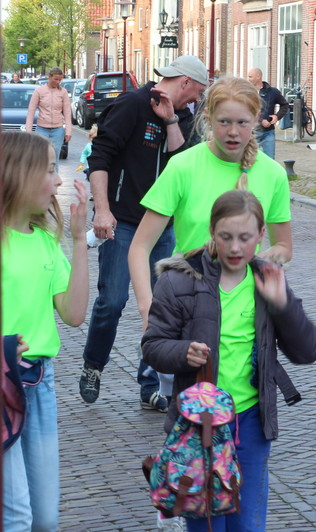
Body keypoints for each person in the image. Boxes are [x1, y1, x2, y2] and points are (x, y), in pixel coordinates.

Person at [142, 189, 316, 532]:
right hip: (199, 424)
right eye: (226, 237)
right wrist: (183, 352)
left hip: (251, 422)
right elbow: (152, 346)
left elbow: (308, 351)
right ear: (212, 231)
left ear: (261, 234)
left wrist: (282, 305)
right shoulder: (180, 280)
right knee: (206, 523)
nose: (236, 248)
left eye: (245, 238)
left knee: (247, 524)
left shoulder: (267, 279)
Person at [78, 55, 208, 412]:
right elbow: (99, 158)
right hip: (122, 220)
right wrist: (102, 209)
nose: (196, 100)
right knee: (113, 300)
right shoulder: (131, 105)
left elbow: (183, 165)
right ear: (184, 82)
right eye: (196, 92)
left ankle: (150, 384)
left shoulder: (183, 117)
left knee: (162, 308)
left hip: (162, 225)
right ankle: (93, 365)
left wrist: (170, 121)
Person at [129, 75, 292, 330]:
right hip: (185, 309)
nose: (233, 132)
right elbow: (139, 247)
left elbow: (284, 246)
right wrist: (147, 308)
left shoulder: (273, 175)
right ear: (208, 118)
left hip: (246, 318)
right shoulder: (183, 167)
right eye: (224, 122)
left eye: (242, 122)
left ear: (256, 118)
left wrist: (254, 261)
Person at [2, 131, 89, 531]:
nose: (58, 181)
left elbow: (74, 313)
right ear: (19, 173)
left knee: (45, 518)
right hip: (3, 383)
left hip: (41, 382)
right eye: (51, 170)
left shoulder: (44, 243)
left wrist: (78, 241)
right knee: (16, 515)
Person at [25, 67, 71, 171]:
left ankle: (54, 180)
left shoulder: (63, 92)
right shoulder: (39, 91)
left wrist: (68, 131)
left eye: (60, 80)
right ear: (49, 77)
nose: (58, 82)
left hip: (58, 129)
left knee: (55, 158)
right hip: (42, 129)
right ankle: (42, 179)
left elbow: (67, 112)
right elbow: (31, 111)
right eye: (56, 79)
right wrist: (29, 131)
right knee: (42, 157)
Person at [247, 67, 289, 160]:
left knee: (270, 159)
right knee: (250, 159)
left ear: (258, 77)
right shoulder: (247, 93)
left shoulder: (272, 92)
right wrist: (261, 120)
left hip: (268, 132)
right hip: (252, 132)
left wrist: (277, 116)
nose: (248, 79)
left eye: (250, 77)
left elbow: (285, 105)